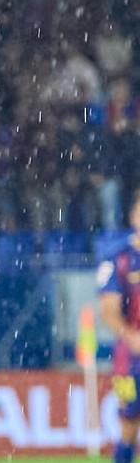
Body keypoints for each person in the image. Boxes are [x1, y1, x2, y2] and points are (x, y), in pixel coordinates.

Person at [98, 192, 140, 463]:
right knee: (128, 422)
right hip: (128, 360)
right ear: (134, 217)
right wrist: (131, 336)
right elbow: (109, 310)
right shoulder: (119, 259)